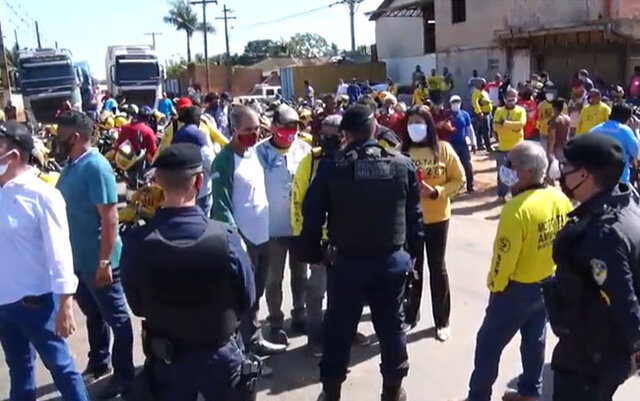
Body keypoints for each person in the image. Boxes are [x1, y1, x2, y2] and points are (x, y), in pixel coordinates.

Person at [296, 104, 424, 401]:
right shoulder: (401, 164)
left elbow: (311, 214)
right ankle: (392, 392)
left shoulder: (333, 165)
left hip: (347, 266)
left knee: (338, 332)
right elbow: (415, 219)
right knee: (392, 330)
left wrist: (312, 252)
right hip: (390, 264)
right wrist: (413, 258)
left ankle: (331, 393)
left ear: (346, 133)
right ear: (374, 127)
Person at [120, 143, 257, 400]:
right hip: (219, 360)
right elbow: (247, 297)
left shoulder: (137, 242)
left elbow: (137, 305)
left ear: (158, 181)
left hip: (167, 365)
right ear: (199, 181)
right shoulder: (226, 237)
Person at [454, 141, 572, 401]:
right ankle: (531, 391)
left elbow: (503, 259)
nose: (505, 168)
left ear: (528, 172)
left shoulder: (516, 210)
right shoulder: (559, 198)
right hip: (547, 283)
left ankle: (478, 397)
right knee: (534, 341)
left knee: (488, 346)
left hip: (515, 290)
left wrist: (496, 287)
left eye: (511, 164)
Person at [545, 134, 640, 400]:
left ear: (584, 175)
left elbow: (623, 294)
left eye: (566, 167)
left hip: (590, 356)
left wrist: (637, 342)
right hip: (606, 349)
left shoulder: (602, 232)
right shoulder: (627, 200)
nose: (561, 172)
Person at [0, 121, 89, 401]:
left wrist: (65, 305)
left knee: (61, 367)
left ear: (13, 155)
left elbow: (60, 253)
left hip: (36, 303)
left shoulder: (43, 196)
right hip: (4, 304)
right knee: (19, 369)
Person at [55, 111, 135, 399]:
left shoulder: (96, 167)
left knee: (117, 318)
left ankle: (125, 375)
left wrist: (104, 262)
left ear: (74, 137)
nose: (56, 139)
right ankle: (99, 361)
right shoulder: (71, 165)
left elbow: (110, 218)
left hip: (99, 261)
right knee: (94, 313)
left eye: (60, 134)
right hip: (79, 261)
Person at [211, 106, 287, 362]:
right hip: (244, 242)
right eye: (247, 131)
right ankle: (241, 355)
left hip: (264, 236)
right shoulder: (224, 160)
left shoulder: (254, 154)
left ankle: (254, 341)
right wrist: (236, 242)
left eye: (256, 130)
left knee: (256, 295)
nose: (254, 135)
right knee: (241, 299)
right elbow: (220, 205)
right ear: (233, 131)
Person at [402, 106, 465, 342]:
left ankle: (442, 321)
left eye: (419, 121)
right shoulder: (403, 152)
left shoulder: (444, 150)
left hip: (438, 218)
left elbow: (460, 181)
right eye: (411, 122)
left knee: (437, 268)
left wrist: (436, 192)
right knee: (413, 269)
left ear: (428, 123)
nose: (414, 126)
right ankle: (411, 316)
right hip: (411, 219)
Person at [256, 105, 312, 345]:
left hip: (299, 227)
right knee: (273, 279)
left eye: (294, 127)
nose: (290, 132)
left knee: (301, 275)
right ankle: (276, 321)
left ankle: (300, 314)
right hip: (272, 228)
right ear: (273, 127)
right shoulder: (259, 153)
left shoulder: (305, 150)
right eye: (285, 127)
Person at [171, 106, 215, 215]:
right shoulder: (198, 135)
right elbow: (208, 159)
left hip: (181, 185)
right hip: (201, 189)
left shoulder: (178, 134)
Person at [589, 104, 639, 185]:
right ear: (628, 118)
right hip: (619, 179)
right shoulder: (626, 131)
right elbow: (635, 152)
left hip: (596, 179)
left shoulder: (594, 130)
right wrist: (635, 130)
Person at [493, 88, 526, 202]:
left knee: (518, 173)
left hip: (518, 148)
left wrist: (504, 123)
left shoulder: (521, 110)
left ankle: (516, 196)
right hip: (503, 147)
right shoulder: (499, 111)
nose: (511, 100)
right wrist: (512, 127)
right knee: (503, 173)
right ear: (505, 99)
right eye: (509, 98)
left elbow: (520, 124)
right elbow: (496, 127)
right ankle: (501, 195)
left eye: (514, 98)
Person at [449, 95, 477, 192]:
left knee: (467, 165)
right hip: (450, 145)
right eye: (454, 102)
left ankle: (470, 185)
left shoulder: (465, 115)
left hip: (463, 144)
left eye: (458, 101)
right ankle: (454, 189)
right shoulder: (447, 115)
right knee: (452, 167)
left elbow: (470, 130)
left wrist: (474, 143)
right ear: (450, 103)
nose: (456, 104)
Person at [471, 79, 493, 152]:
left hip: (488, 113)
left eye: (484, 82)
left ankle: (482, 145)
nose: (483, 83)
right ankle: (487, 146)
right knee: (484, 130)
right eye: (481, 83)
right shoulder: (477, 92)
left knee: (486, 129)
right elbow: (475, 103)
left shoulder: (485, 92)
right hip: (482, 114)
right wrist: (479, 112)